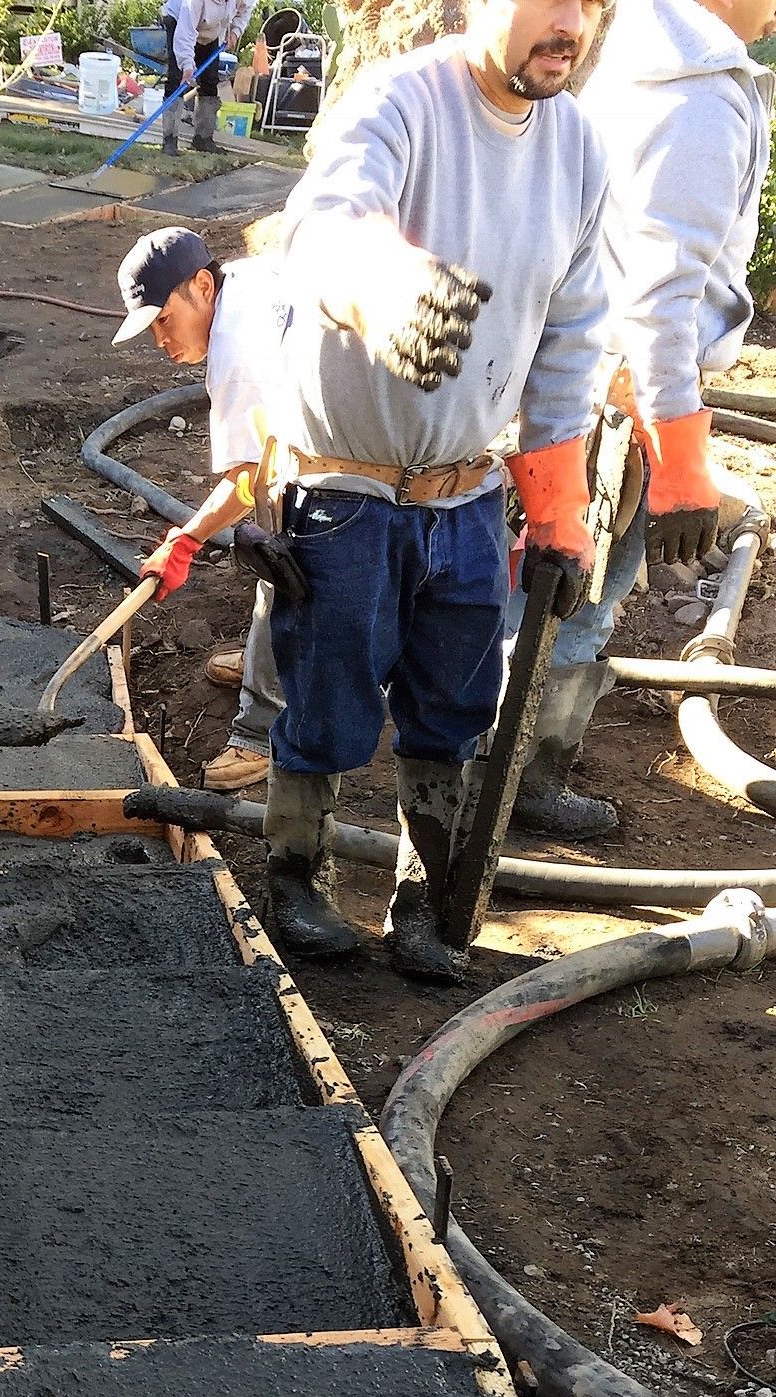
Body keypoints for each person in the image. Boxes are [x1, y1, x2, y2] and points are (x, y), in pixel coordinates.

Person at [255, 0, 610, 978]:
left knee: (452, 708)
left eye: (589, 4)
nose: (570, 23)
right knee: (326, 698)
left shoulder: (576, 149)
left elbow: (571, 341)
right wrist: (384, 284)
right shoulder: (398, 104)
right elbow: (323, 224)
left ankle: (420, 901)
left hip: (463, 492)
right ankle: (294, 881)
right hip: (348, 487)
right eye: (550, 1)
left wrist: (557, 512)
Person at [506, 0, 776, 839]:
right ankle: (517, 783)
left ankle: (489, 767)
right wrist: (682, 456)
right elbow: (660, 292)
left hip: (585, 375)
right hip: (623, 399)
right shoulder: (695, 92)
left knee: (544, 591)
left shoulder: (636, 55)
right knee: (579, 599)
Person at [111, 226, 305, 796]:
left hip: (369, 449)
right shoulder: (238, 281)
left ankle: (262, 728)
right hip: (332, 417)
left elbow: (247, 482)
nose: (161, 342)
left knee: (284, 554)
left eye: (164, 320)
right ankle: (262, 666)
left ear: (200, 285)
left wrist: (186, 540)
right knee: (271, 533)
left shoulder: (237, 351)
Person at [160, 0, 254, 153]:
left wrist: (236, 31)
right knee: (176, 79)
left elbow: (244, 10)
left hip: (210, 30)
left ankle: (203, 139)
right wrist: (187, 66)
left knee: (210, 80)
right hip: (180, 21)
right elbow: (185, 34)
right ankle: (170, 140)